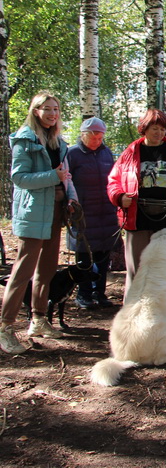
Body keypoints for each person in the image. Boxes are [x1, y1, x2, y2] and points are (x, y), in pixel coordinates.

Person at [1, 92, 77, 355]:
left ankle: (39, 320)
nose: (52, 113)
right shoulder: (25, 140)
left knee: (47, 269)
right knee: (23, 271)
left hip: (56, 210)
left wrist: (71, 199)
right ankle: (6, 328)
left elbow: (65, 177)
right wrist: (51, 176)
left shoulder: (58, 142)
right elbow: (19, 178)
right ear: (35, 111)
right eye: (47, 108)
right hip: (33, 212)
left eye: (56, 108)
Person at [107, 109, 166, 302]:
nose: (159, 133)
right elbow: (113, 181)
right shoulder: (130, 153)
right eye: (154, 128)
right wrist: (119, 196)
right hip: (137, 219)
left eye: (163, 129)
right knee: (137, 270)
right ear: (144, 128)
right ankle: (133, 314)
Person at [66, 117, 119, 310]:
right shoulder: (72, 154)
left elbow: (114, 179)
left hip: (106, 212)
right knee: (84, 256)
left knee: (103, 256)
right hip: (83, 214)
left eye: (100, 136)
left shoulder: (106, 153)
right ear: (83, 135)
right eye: (93, 136)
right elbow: (66, 183)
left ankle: (100, 293)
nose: (97, 140)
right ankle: (83, 294)